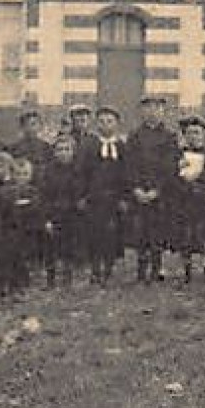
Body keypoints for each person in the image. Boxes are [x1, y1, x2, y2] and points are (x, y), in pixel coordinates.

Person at [126, 95, 180, 284]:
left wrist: (157, 190)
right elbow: (129, 165)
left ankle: (156, 268)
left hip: (161, 193)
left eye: (157, 108)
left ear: (163, 112)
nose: (152, 112)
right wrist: (136, 188)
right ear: (142, 112)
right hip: (139, 192)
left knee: (158, 231)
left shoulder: (170, 137)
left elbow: (170, 166)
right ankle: (141, 269)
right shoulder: (134, 136)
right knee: (140, 231)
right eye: (148, 108)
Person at [80, 107, 129, 285]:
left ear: (116, 124)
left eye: (110, 121)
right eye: (102, 121)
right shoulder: (89, 146)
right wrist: (83, 196)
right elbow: (82, 172)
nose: (106, 125)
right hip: (95, 197)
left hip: (114, 198)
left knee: (111, 234)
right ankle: (95, 269)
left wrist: (124, 197)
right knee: (94, 233)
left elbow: (127, 173)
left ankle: (108, 268)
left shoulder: (122, 147)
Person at [0, 157, 44, 298]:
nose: (22, 178)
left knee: (22, 260)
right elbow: (1, 211)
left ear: (30, 176)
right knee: (6, 259)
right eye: (18, 174)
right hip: (9, 231)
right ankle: (4, 286)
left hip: (27, 232)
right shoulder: (6, 192)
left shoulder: (33, 192)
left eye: (25, 174)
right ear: (13, 175)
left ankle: (20, 288)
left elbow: (36, 209)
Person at [173, 116, 205, 282]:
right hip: (183, 200)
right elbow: (171, 174)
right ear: (184, 135)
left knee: (203, 233)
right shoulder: (178, 154)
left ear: (203, 135)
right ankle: (186, 267)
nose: (193, 137)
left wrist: (200, 176)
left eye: (197, 133)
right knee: (185, 233)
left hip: (202, 200)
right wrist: (180, 172)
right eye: (189, 133)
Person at [38, 132, 82, 288]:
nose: (63, 153)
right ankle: (50, 278)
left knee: (68, 246)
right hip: (53, 213)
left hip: (71, 214)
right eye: (60, 149)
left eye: (67, 149)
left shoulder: (78, 171)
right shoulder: (48, 172)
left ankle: (67, 276)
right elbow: (43, 197)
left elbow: (80, 194)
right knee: (51, 246)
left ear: (73, 151)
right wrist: (46, 219)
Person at [6, 109, 55, 173]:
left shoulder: (47, 148)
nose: (30, 128)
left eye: (33, 124)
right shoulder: (12, 148)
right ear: (22, 127)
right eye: (27, 124)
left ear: (40, 126)